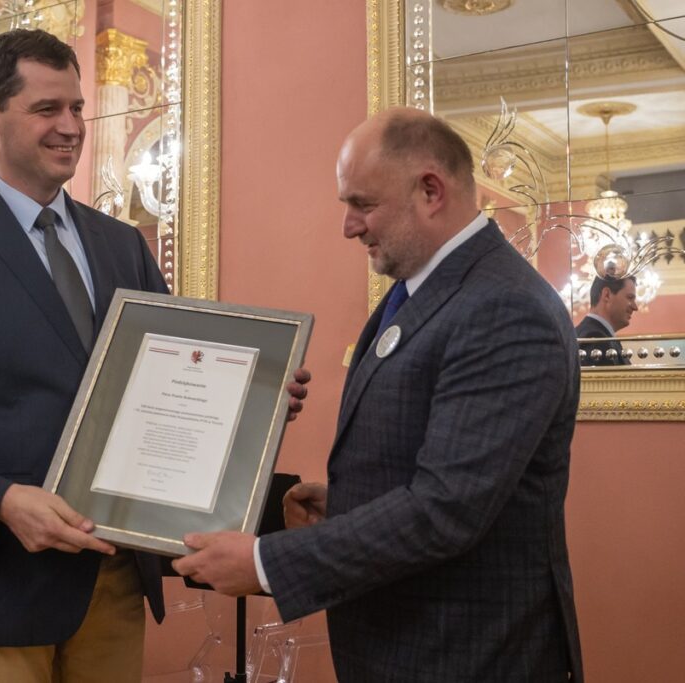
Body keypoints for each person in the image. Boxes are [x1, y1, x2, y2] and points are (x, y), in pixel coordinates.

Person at [0, 28, 308, 683]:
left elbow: (168, 385)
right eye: (46, 110)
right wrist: (3, 500)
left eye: (77, 108)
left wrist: (253, 401)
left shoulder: (122, 245)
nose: (70, 127)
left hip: (112, 579)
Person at [173, 108, 584, 682]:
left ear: (430, 191)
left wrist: (267, 564)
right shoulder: (421, 292)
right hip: (403, 645)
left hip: (468, 654)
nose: (348, 226)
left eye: (361, 204)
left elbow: (445, 509)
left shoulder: (503, 307)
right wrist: (346, 503)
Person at [576, 275, 637, 366]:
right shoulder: (596, 340)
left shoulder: (599, 336)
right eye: (630, 297)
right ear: (607, 295)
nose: (635, 307)